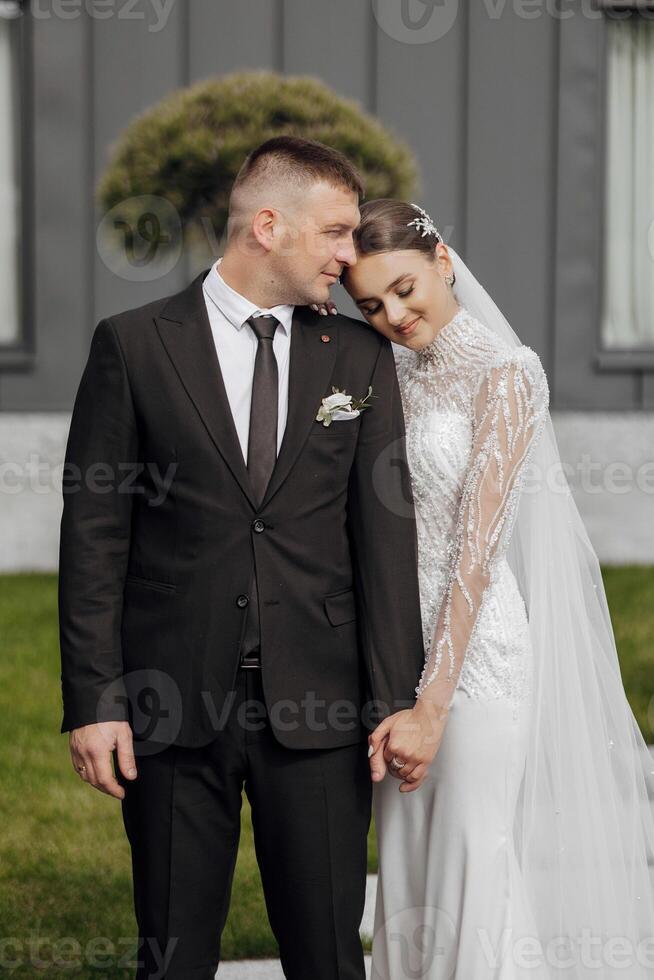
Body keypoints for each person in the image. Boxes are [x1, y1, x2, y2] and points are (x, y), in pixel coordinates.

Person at [58, 139, 426, 979]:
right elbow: (93, 538)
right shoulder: (133, 345)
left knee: (329, 956)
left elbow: (383, 536)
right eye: (335, 231)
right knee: (174, 956)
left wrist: (395, 698)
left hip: (322, 711)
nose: (350, 252)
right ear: (268, 225)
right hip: (172, 706)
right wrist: (94, 701)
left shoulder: (359, 356)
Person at [333, 199, 654, 979]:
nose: (394, 315)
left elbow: (477, 551)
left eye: (404, 288)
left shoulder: (506, 374)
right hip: (388, 654)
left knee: (474, 864)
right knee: (407, 875)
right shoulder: (383, 372)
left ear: (442, 261)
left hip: (472, 662)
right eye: (371, 305)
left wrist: (433, 703)